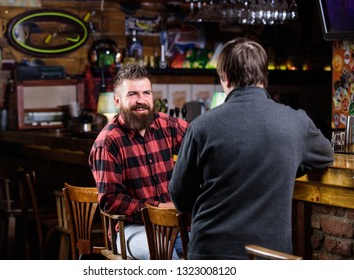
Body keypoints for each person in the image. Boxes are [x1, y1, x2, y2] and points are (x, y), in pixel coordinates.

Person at [168, 37, 334, 260]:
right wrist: (285, 166)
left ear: (225, 78)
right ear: (264, 78)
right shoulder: (296, 122)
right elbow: (326, 155)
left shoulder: (201, 126)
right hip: (270, 257)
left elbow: (179, 194)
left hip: (211, 251)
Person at [88, 63, 189, 259]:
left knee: (219, 245)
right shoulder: (107, 142)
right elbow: (110, 200)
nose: (141, 100)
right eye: (132, 94)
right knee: (161, 252)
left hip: (177, 225)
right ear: (118, 100)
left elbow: (200, 142)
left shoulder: (166, 125)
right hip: (132, 229)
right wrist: (157, 209)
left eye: (146, 93)